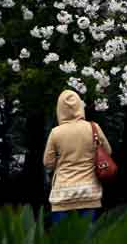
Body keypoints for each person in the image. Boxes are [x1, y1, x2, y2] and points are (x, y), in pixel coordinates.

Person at [43, 90, 112, 225]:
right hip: (89, 192)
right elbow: (107, 151)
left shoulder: (56, 133)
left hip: (62, 194)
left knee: (62, 238)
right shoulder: (93, 128)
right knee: (86, 236)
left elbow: (48, 163)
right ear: (80, 106)